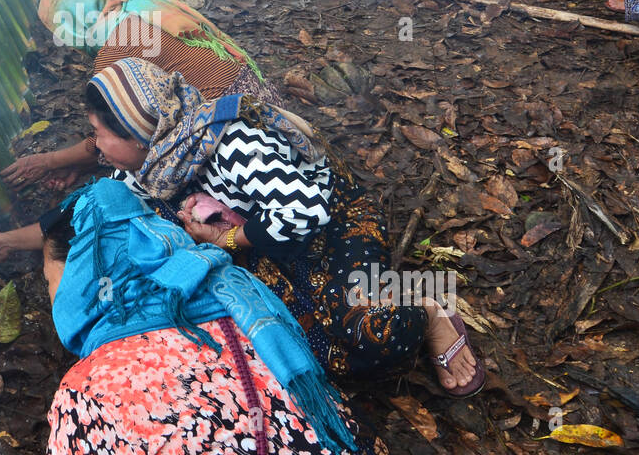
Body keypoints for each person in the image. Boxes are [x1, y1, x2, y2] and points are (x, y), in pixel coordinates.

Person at [77, 58, 484, 394]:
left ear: (136, 132)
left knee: (374, 336)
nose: (94, 146)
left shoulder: (229, 143)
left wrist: (229, 238)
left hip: (328, 223)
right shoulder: (147, 169)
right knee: (320, 357)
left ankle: (428, 310)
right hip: (267, 244)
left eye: (98, 133)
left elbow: (304, 212)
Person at [43, 177, 385, 455]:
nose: (50, 295)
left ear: (80, 276)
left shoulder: (85, 395)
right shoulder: (241, 302)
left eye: (49, 281)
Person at [0, 0, 277, 271]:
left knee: (123, 206)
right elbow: (131, 130)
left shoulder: (117, 52)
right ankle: (17, 238)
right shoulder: (143, 1)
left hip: (234, 158)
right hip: (263, 116)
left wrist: (51, 161)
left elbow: (126, 130)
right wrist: (82, 163)